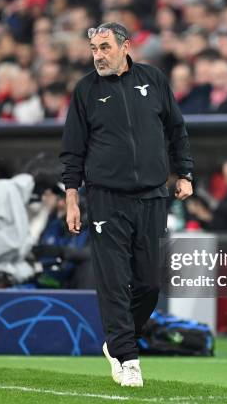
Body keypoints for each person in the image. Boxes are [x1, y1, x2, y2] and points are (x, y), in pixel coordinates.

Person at [59, 22, 193, 387]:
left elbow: (176, 129)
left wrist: (185, 173)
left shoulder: (154, 79)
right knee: (115, 282)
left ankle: (117, 340)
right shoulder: (86, 90)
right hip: (105, 199)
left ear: (125, 47)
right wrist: (72, 198)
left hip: (152, 196)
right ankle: (126, 357)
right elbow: (72, 151)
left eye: (104, 47)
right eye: (94, 49)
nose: (98, 55)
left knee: (149, 283)